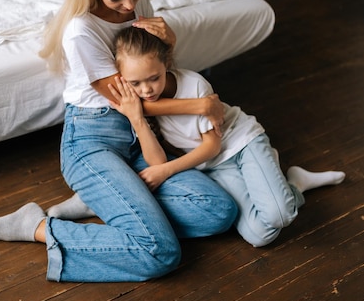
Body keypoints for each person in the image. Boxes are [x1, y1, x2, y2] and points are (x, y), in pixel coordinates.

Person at [0, 0, 237, 282]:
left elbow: (152, 76)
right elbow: (132, 104)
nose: (130, 5)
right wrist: (199, 106)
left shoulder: (138, 0)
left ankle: (106, 200)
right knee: (160, 252)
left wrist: (169, 41)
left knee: (219, 211)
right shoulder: (81, 31)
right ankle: (36, 226)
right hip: (93, 138)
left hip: (141, 137)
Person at [103, 26, 344, 247]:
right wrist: (137, 119)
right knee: (260, 236)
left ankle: (269, 166)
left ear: (166, 64)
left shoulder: (194, 85)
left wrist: (166, 171)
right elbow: (156, 161)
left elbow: (211, 147)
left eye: (154, 78)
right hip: (215, 167)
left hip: (240, 143)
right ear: (123, 79)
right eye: (135, 83)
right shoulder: (136, 104)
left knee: (279, 215)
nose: (146, 90)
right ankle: (295, 183)